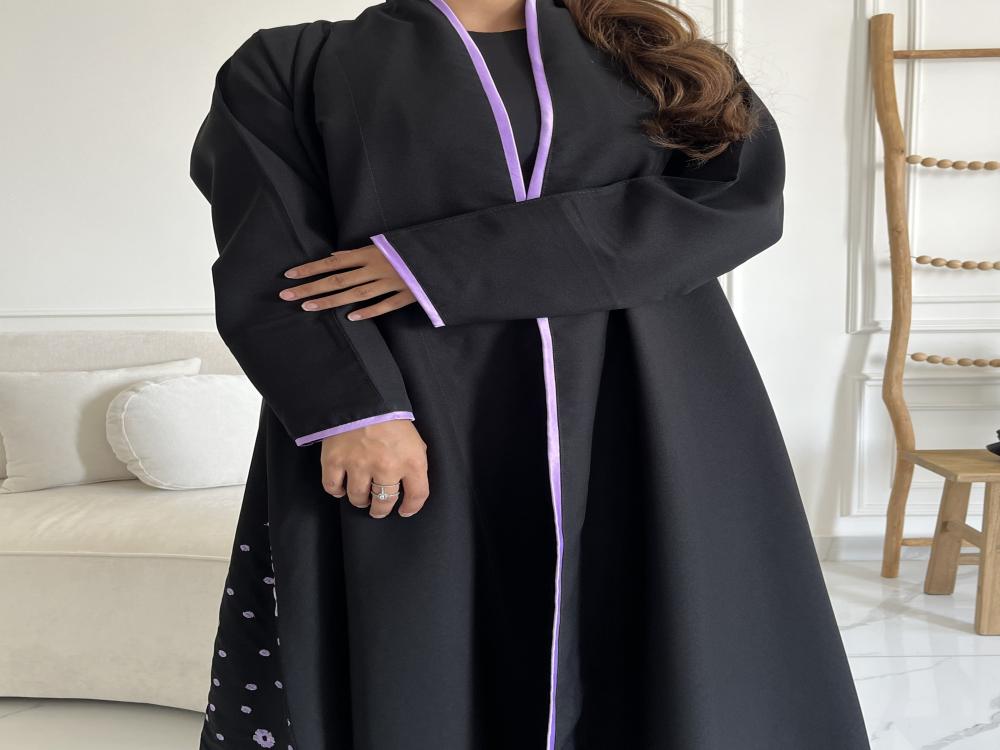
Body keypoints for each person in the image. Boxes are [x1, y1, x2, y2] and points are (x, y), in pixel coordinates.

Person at [189, 0, 871, 747]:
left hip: (645, 402)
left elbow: (737, 203)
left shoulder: (653, 56)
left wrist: (435, 265)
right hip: (412, 405)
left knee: (659, 649)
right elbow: (273, 255)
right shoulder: (290, 66)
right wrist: (359, 412)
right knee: (421, 651)